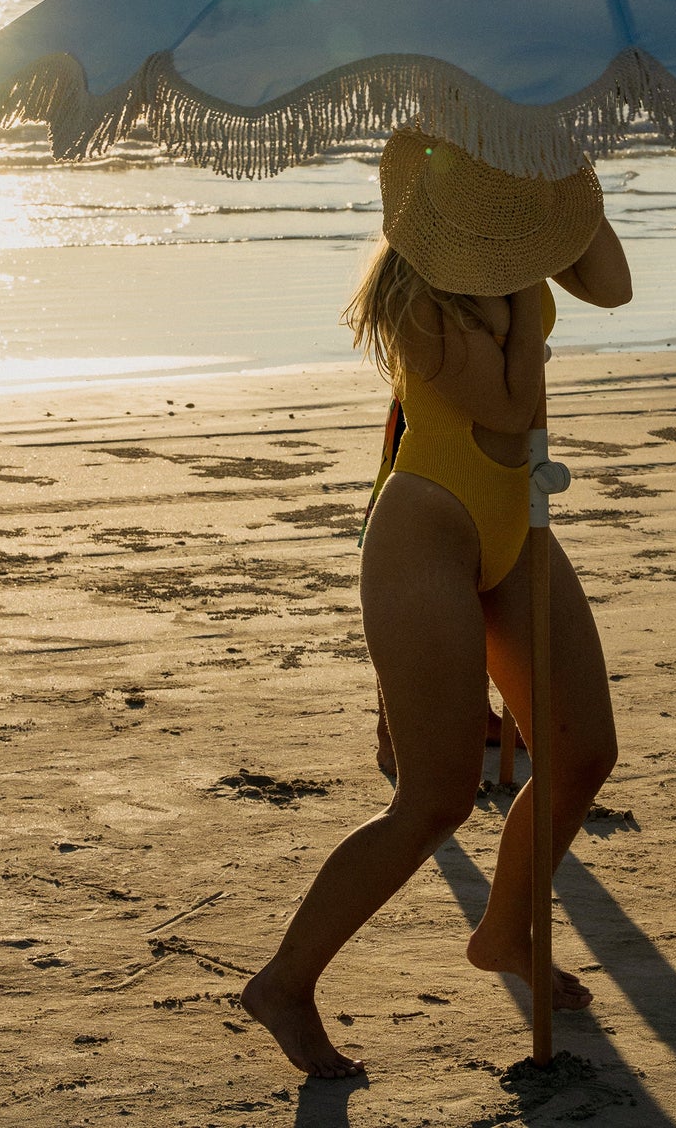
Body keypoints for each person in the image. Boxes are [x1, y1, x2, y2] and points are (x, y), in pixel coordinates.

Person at [242, 129, 633, 1078]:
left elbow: (613, 283)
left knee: (582, 750)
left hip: (517, 523)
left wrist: (564, 187)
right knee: (437, 796)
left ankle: (505, 934)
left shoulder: (515, 249)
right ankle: (286, 982)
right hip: (429, 528)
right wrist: (521, 283)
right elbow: (507, 407)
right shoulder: (418, 290)